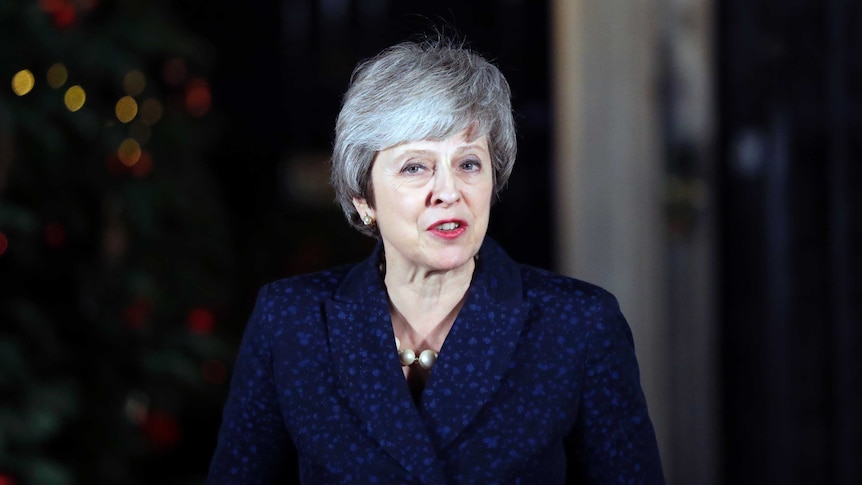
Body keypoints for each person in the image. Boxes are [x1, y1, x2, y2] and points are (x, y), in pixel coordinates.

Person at [206, 35, 665, 484]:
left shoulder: (580, 324)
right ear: (363, 197)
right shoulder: (290, 321)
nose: (449, 192)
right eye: (415, 167)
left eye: (468, 164)